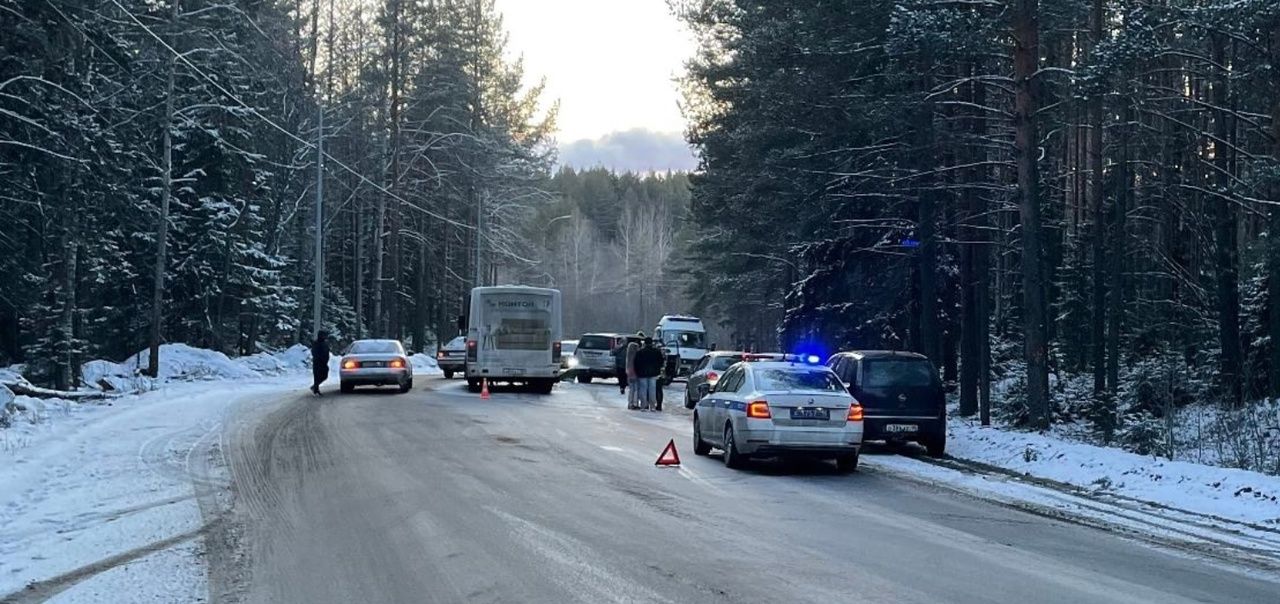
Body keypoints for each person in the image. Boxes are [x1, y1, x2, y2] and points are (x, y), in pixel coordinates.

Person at [633, 337, 665, 412]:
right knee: (652, 390)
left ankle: (643, 405)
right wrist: (657, 369)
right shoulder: (656, 352)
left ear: (645, 343)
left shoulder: (640, 352)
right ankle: (653, 406)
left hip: (642, 374)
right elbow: (661, 362)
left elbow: (636, 363)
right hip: (654, 373)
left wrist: (637, 372)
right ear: (652, 343)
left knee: (643, 390)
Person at [625, 332, 642, 409]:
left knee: (631, 389)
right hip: (635, 372)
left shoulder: (628, 357)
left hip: (629, 372)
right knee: (636, 389)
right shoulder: (636, 356)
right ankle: (635, 404)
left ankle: (630, 403)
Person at [310, 330, 330, 395]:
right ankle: (316, 389)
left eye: (324, 335)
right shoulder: (316, 343)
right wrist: (319, 358)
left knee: (324, 376)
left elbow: (327, 352)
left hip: (324, 363)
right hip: (317, 363)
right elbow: (314, 353)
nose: (324, 337)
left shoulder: (325, 343)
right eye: (323, 335)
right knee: (317, 376)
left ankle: (315, 386)